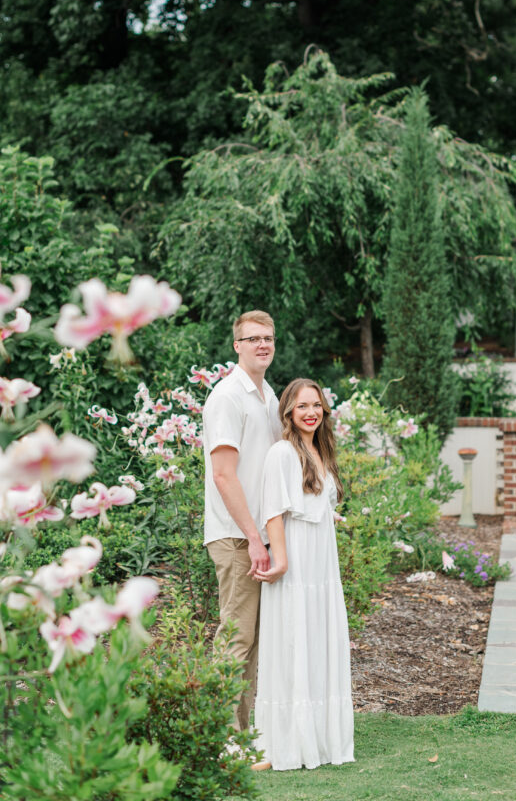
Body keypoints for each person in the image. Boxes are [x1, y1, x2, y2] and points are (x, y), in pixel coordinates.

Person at [253, 378, 354, 771]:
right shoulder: (281, 453)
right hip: (294, 557)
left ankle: (322, 739)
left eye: (315, 405)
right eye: (301, 406)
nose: (310, 412)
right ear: (288, 413)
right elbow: (274, 510)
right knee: (293, 638)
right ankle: (282, 743)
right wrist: (280, 559)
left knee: (318, 638)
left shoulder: (320, 451)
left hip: (322, 562)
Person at [202, 310, 281, 734]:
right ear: (237, 346)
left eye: (267, 337)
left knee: (252, 643)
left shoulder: (267, 396)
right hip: (236, 537)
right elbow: (223, 474)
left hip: (259, 537)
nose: (262, 345)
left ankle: (245, 732)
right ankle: (220, 734)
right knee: (235, 639)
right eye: (253, 339)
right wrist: (254, 538)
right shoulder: (228, 397)